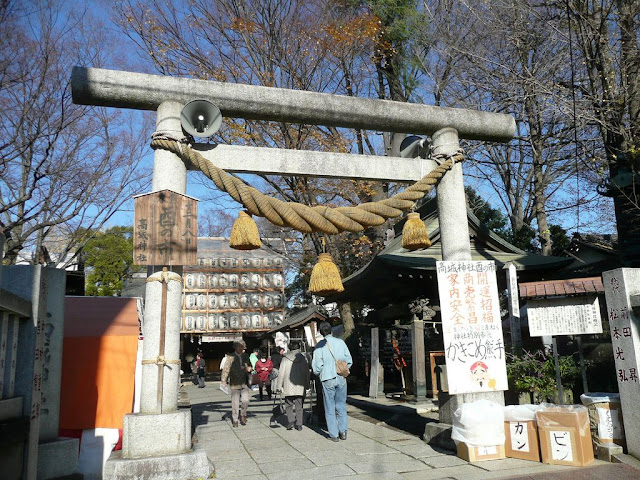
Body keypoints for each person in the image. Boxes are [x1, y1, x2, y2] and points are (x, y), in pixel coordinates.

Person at [312, 321, 352, 442]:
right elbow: (349, 361)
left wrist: (319, 373)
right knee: (341, 404)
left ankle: (334, 434)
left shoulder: (319, 346)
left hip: (327, 378)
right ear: (331, 330)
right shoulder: (341, 342)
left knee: (329, 406)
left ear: (320, 332)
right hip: (341, 377)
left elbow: (316, 367)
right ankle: (343, 431)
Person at [274, 341, 310, 431]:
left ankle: (291, 421)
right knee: (299, 406)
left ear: (290, 348)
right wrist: (307, 385)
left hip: (288, 385)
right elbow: (307, 373)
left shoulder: (285, 358)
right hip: (300, 386)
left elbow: (281, 373)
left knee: (288, 405)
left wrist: (279, 386)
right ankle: (299, 424)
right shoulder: (303, 358)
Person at [221, 339, 252, 427]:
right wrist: (224, 380)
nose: (241, 348)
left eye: (242, 346)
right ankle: (235, 419)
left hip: (244, 381)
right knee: (235, 402)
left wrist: (248, 368)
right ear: (236, 347)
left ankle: (243, 413)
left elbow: (249, 365)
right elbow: (226, 369)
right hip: (234, 382)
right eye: (240, 346)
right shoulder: (230, 357)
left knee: (245, 400)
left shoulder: (246, 356)